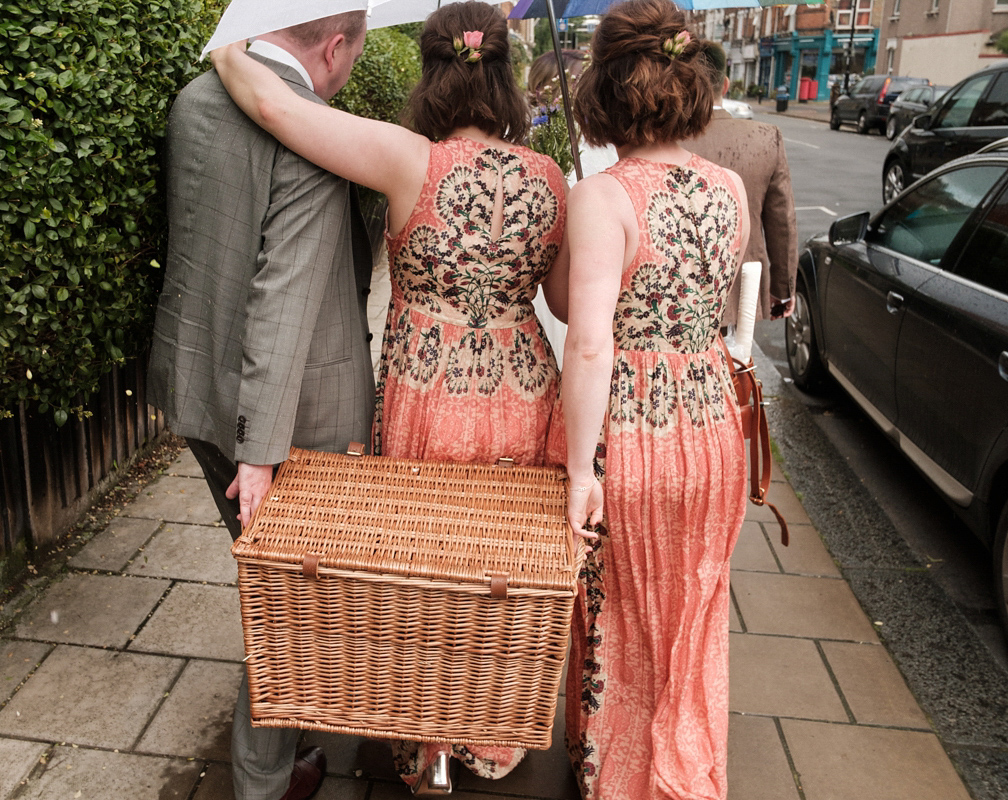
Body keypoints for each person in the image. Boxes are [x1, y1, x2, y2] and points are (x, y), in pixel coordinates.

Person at [211, 2, 568, 793]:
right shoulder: (549, 177)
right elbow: (572, 303)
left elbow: (276, 104)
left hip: (429, 391)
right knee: (501, 575)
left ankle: (424, 736)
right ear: (507, 75)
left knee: (423, 575)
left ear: (431, 74)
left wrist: (227, 48)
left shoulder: (407, 159)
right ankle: (491, 734)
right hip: (522, 390)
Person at [146, 12, 374, 800]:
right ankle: (266, 782)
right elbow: (281, 298)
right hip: (289, 422)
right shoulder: (312, 128)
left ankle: (283, 755)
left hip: (196, 388)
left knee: (273, 597)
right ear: (335, 45)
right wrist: (262, 453)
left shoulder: (193, 99)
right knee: (291, 609)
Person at [557, 1, 750, 797]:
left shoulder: (605, 198)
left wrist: (576, 470)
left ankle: (621, 775)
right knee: (695, 607)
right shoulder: (731, 186)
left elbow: (590, 341)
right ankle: (686, 765)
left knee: (620, 613)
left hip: (633, 430)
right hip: (711, 427)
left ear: (606, 90)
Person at [684, 41, 798, 325]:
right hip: (742, 291)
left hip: (681, 294)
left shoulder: (662, 140)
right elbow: (781, 222)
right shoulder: (766, 137)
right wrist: (783, 289)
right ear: (725, 85)